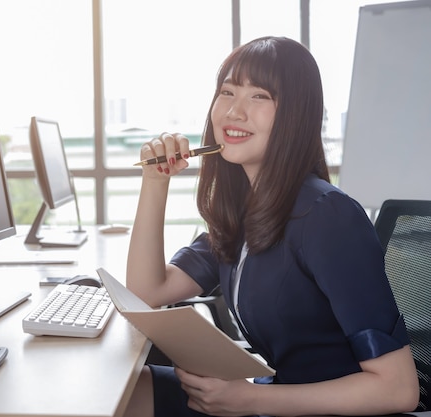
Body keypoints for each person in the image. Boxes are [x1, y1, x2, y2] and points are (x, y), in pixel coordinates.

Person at [123, 36, 419, 417]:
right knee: (122, 393)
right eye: (227, 92)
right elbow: (146, 291)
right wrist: (155, 181)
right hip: (271, 399)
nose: (234, 111)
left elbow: (398, 390)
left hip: (308, 409)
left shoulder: (328, 216)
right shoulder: (245, 212)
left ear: (296, 114)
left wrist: (249, 400)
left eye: (259, 96)